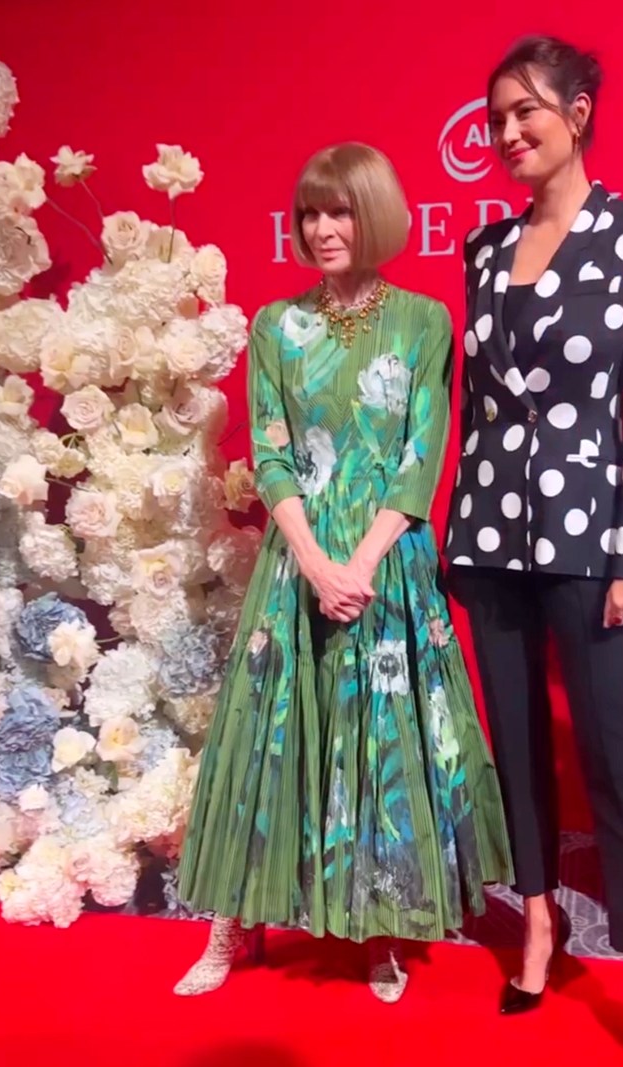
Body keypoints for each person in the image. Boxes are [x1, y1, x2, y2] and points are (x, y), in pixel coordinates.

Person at [175, 142, 513, 1003]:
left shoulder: (423, 320)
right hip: (299, 566)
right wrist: (316, 562)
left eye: (341, 211)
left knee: (381, 748)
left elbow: (421, 454)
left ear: (375, 214)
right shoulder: (275, 327)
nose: (325, 229)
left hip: (385, 567)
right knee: (269, 740)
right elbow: (274, 457)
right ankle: (231, 924)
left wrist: (359, 564)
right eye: (312, 215)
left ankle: (378, 931)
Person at [446, 36, 623, 1067]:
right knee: (515, 749)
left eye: (526, 112)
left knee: (610, 761)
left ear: (579, 112)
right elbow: (483, 407)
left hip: (593, 542)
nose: (507, 133)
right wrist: (456, 525)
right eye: (495, 116)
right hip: (489, 535)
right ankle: (539, 918)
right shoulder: (482, 247)